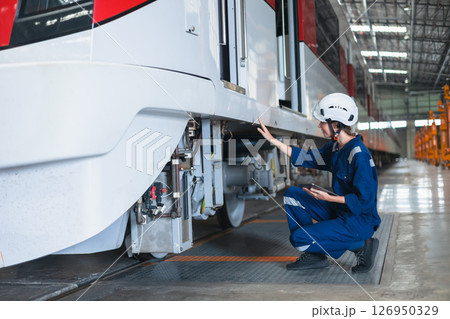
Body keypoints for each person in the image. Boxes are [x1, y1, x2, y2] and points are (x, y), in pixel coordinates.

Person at [257, 93, 380, 273]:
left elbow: (364, 201)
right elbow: (308, 157)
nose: (319, 125)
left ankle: (361, 245)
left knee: (299, 239)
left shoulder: (359, 155)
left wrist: (329, 199)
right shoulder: (336, 147)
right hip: (342, 211)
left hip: (359, 221)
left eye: (322, 121)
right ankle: (316, 256)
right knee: (292, 195)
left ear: (335, 124)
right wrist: (274, 141)